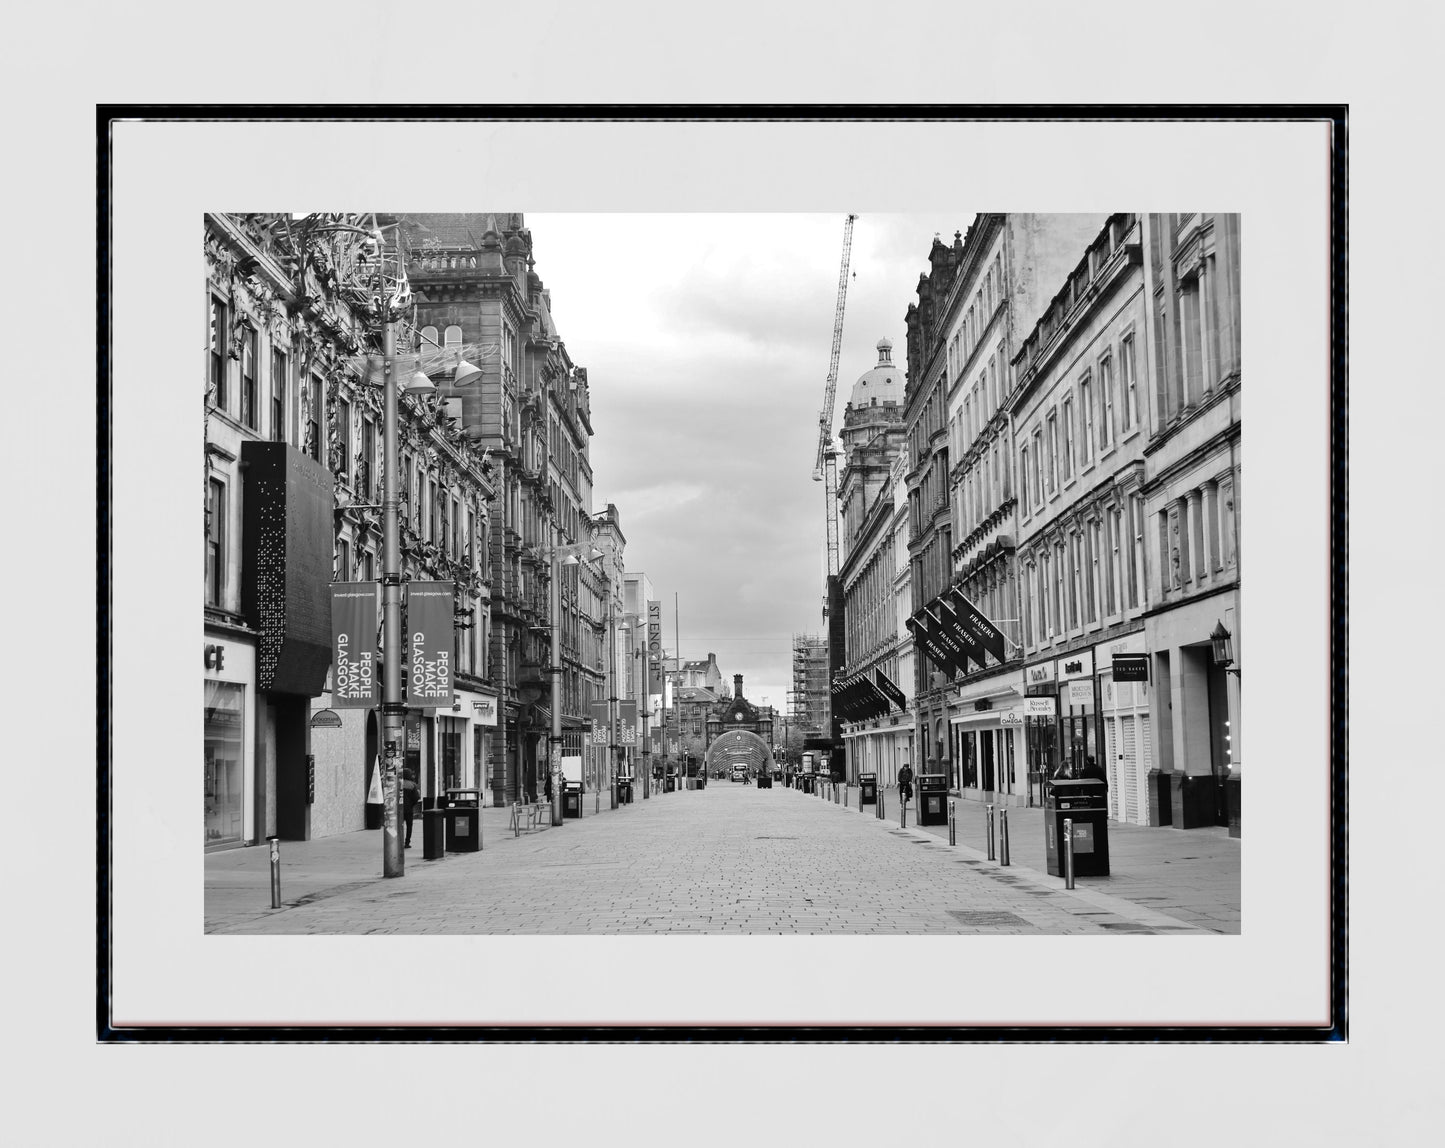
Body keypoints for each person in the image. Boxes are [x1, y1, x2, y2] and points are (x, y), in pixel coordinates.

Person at [401, 768, 419, 848]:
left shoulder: (399, 784)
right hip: (409, 809)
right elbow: (416, 797)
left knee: (399, 826)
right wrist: (412, 804)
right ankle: (407, 842)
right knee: (409, 826)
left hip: (399, 809)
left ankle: (398, 841)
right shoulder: (412, 785)